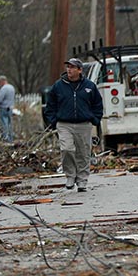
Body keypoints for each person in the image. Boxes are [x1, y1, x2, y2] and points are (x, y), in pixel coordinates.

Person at [43, 58, 103, 192]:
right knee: (67, 149)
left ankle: (82, 180)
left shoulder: (89, 86)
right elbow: (50, 105)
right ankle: (70, 175)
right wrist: (53, 121)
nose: (69, 69)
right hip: (64, 124)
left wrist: (95, 119)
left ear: (80, 70)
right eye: (68, 67)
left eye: (72, 67)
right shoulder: (58, 86)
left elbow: (97, 104)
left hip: (84, 124)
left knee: (83, 153)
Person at [0, 75, 16, 143]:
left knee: (4, 124)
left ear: (2, 81)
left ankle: (6, 139)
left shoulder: (4, 88)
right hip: (10, 108)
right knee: (9, 124)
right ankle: (11, 139)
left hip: (4, 108)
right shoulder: (12, 87)